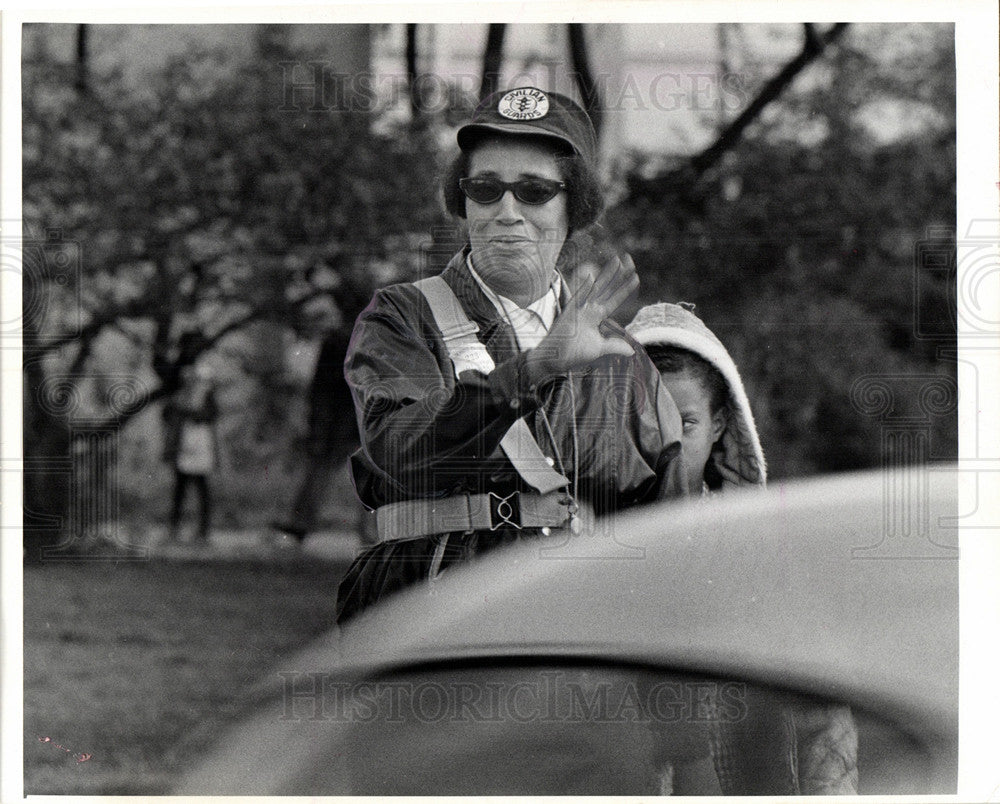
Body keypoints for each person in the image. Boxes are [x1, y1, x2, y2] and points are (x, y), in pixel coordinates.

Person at [336, 87, 687, 623]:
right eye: (485, 188)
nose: (506, 211)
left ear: (575, 204)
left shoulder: (622, 358)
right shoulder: (402, 317)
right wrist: (538, 366)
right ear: (463, 199)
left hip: (578, 638)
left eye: (533, 191)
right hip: (428, 623)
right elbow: (400, 454)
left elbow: (671, 531)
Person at [628, 301, 857, 795]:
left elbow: (823, 706)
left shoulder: (763, 551)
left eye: (685, 423)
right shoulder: (582, 549)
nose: (664, 443)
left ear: (719, 427)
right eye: (646, 421)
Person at [162, 362, 219, 543]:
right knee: (180, 487)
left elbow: (207, 415)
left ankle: (203, 531)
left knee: (201, 488)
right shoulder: (181, 397)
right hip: (185, 446)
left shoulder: (207, 399)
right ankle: (174, 528)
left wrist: (186, 412)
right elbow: (168, 413)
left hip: (201, 446)